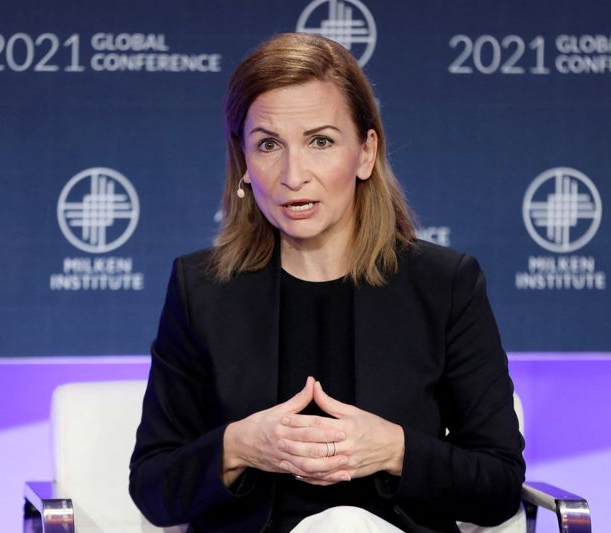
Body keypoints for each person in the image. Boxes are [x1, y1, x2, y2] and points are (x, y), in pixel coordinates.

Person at [129, 32, 525, 533]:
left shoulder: (445, 285)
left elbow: (499, 486)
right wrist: (240, 445)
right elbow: (153, 489)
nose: (294, 174)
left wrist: (394, 450)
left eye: (320, 141)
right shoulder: (202, 289)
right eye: (269, 145)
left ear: (365, 153)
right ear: (244, 164)